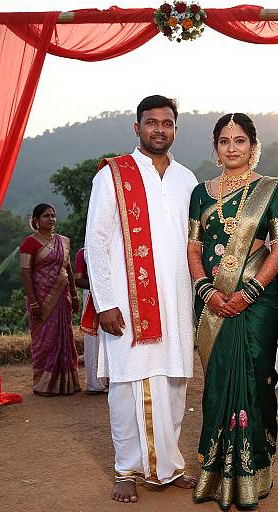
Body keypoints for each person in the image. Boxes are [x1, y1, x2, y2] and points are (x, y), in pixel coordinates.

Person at [188, 113, 278, 510]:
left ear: (253, 146)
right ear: (215, 148)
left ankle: (256, 468)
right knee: (219, 380)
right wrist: (206, 289)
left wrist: (253, 289)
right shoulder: (200, 193)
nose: (232, 148)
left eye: (239, 140)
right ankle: (215, 472)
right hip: (213, 303)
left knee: (256, 376)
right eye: (224, 141)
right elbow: (194, 248)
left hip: (258, 302)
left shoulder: (272, 190)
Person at [84, 95, 198, 503]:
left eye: (167, 123)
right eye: (152, 122)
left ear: (175, 130)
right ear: (137, 127)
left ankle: (168, 464)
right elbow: (95, 241)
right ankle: (126, 470)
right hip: (129, 305)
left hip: (178, 302)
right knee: (128, 384)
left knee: (174, 382)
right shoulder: (113, 175)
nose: (159, 130)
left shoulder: (187, 179)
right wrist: (105, 301)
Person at [19, 203, 81, 396]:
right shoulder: (29, 243)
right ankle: (44, 385)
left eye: (53, 215)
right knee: (44, 341)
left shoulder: (63, 241)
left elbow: (68, 269)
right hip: (41, 299)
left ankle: (66, 384)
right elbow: (26, 273)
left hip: (62, 298)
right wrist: (34, 302)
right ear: (36, 220)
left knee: (65, 338)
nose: (51, 219)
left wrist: (74, 293)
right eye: (46, 216)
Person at [74, 246, 108, 395]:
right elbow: (78, 280)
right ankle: (95, 384)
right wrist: (99, 286)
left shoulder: (115, 249)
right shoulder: (84, 253)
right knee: (93, 341)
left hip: (113, 295)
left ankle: (113, 381)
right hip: (91, 298)